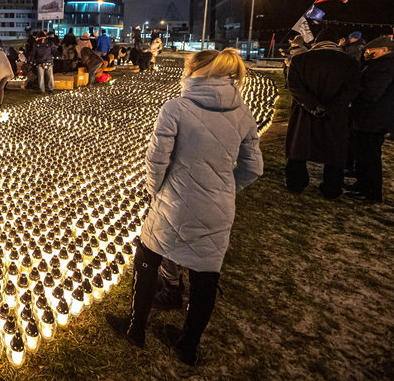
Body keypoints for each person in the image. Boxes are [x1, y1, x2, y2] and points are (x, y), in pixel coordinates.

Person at [124, 48, 263, 366]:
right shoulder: (242, 111)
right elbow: (254, 167)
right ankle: (188, 346)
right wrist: (225, 190)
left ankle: (136, 329)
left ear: (194, 72)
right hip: (218, 207)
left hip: (173, 201)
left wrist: (156, 190)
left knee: (147, 259)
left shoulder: (176, 108)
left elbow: (157, 158)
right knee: (205, 276)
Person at [284, 28, 361, 198]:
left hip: (304, 113)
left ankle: (296, 182)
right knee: (334, 149)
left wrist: (312, 105)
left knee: (299, 147)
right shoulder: (350, 63)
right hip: (335, 115)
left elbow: (294, 86)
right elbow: (352, 90)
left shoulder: (300, 59)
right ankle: (332, 187)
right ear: (336, 43)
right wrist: (333, 107)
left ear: (317, 41)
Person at [347, 37, 394, 202]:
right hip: (378, 117)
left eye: (370, 51)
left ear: (384, 50)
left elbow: (371, 93)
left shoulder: (384, 67)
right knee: (365, 154)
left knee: (370, 157)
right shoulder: (392, 64)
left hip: (374, 118)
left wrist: (352, 90)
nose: (367, 54)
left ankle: (371, 192)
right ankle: (363, 184)